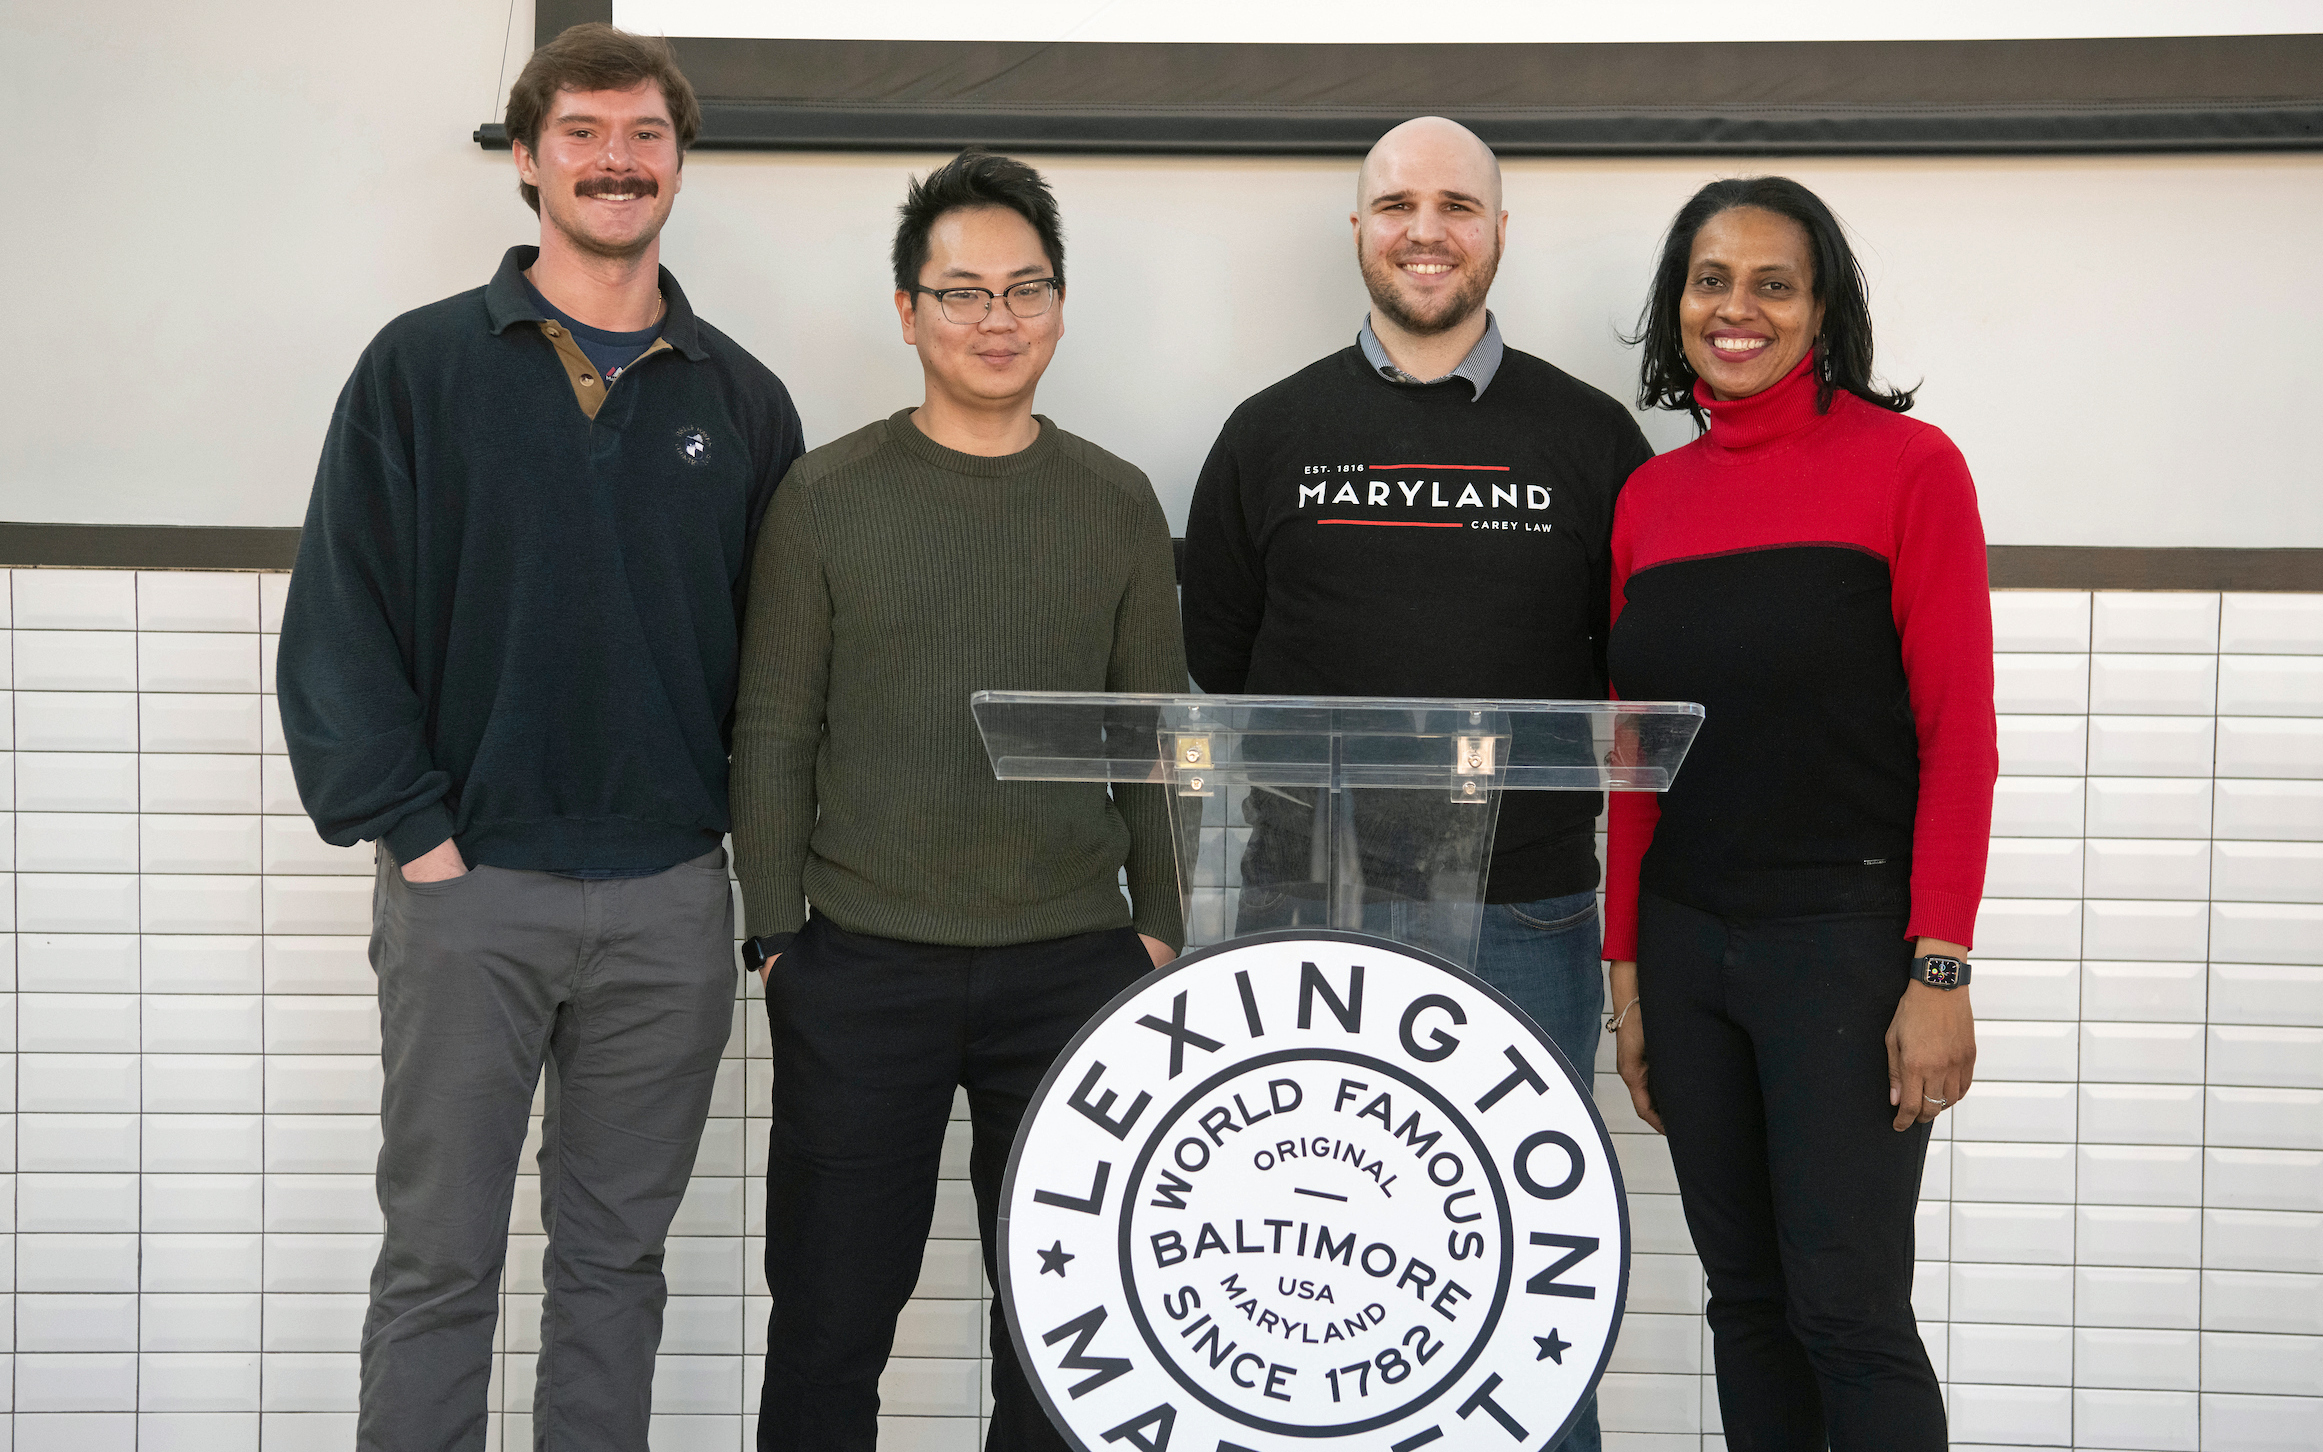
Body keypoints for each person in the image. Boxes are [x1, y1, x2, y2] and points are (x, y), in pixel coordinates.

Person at [277, 23, 803, 1450]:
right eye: (582, 131)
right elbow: (339, 619)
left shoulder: (743, 402)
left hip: (666, 904)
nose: (614, 160)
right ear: (528, 157)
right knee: (439, 1266)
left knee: (614, 1271)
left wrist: (757, 888)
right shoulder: (419, 368)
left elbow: (779, 674)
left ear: (678, 162)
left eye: (643, 134)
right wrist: (418, 838)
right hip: (469, 894)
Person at [1180, 114, 1651, 1450]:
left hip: (1528, 920)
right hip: (1296, 920)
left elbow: (1626, 672)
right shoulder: (1268, 433)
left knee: (1513, 1258)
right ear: (1356, 231)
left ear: (1498, 231)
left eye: (1455, 205)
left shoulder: (1587, 440)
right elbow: (1220, 659)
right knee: (1299, 1269)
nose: (1424, 229)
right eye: (1395, 205)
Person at [731, 150, 1185, 1451]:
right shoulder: (826, 497)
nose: (996, 319)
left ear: (1057, 304)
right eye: (962, 292)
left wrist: (1153, 932)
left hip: (1067, 967)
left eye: (1023, 289)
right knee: (828, 1316)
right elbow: (773, 724)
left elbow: (1155, 738)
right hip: (860, 966)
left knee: (1058, 1326)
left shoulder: (1112, 501)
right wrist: (775, 933)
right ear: (907, 309)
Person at [1604, 176, 1995, 1450]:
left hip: (1842, 940)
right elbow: (1634, 760)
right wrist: (1627, 979)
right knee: (1747, 1303)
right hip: (1687, 945)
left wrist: (1938, 965)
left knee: (1850, 1311)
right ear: (1677, 306)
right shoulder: (1647, 502)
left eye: (1774, 282)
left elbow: (1960, 737)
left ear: (1821, 306)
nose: (1737, 309)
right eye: (1710, 280)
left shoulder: (1908, 469)